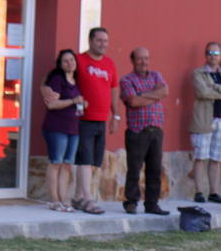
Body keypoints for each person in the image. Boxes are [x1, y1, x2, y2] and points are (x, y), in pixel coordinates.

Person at [42, 27, 119, 215]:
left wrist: (115, 115)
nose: (103, 44)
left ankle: (77, 198)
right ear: (90, 41)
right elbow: (52, 77)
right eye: (99, 40)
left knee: (90, 162)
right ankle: (86, 198)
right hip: (81, 120)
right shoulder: (79, 61)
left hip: (99, 120)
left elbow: (114, 88)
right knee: (80, 161)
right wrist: (43, 89)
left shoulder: (109, 64)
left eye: (106, 41)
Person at [119, 47, 169, 215]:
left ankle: (152, 203)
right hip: (137, 130)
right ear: (132, 60)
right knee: (134, 168)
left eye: (146, 58)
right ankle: (131, 202)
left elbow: (165, 91)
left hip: (156, 129)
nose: (144, 62)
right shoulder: (126, 80)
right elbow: (133, 101)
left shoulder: (156, 75)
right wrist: (155, 94)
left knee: (155, 169)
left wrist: (144, 96)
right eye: (140, 59)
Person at [190, 41, 221, 204]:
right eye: (210, 53)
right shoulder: (198, 73)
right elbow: (202, 92)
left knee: (216, 159)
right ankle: (199, 192)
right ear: (205, 55)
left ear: (220, 56)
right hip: (204, 121)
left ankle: (214, 192)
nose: (213, 56)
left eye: (216, 53)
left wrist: (215, 87)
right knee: (200, 157)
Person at [41, 49, 83, 212]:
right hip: (56, 127)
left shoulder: (76, 80)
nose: (69, 63)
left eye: (72, 60)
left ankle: (64, 199)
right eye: (65, 61)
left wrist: (80, 103)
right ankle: (54, 200)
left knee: (67, 165)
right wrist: (73, 100)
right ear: (60, 64)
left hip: (73, 128)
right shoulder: (57, 79)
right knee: (56, 163)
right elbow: (51, 104)